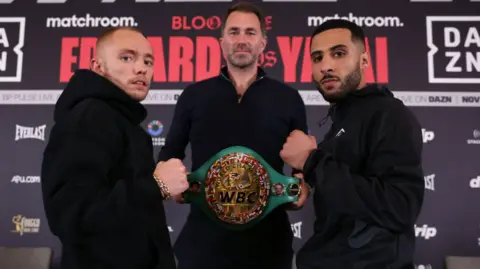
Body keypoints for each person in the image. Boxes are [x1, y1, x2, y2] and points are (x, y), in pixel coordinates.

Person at [157, 2, 309, 269]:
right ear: (221, 41)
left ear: (263, 43)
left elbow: (301, 166)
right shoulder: (194, 95)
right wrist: (175, 184)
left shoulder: (289, 98)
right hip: (203, 243)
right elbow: (169, 155)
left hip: (269, 244)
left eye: (250, 33)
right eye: (234, 32)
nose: (241, 40)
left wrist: (300, 188)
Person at [280, 19, 425, 269]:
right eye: (317, 58)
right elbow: (344, 199)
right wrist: (303, 188)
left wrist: (311, 160)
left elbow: (400, 207)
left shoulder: (389, 114)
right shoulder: (338, 125)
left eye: (338, 53)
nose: (326, 66)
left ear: (364, 61)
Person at [40, 27, 189, 269]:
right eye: (126, 58)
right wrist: (157, 185)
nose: (141, 68)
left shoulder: (125, 124)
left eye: (148, 61)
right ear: (98, 67)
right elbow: (70, 216)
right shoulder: (90, 115)